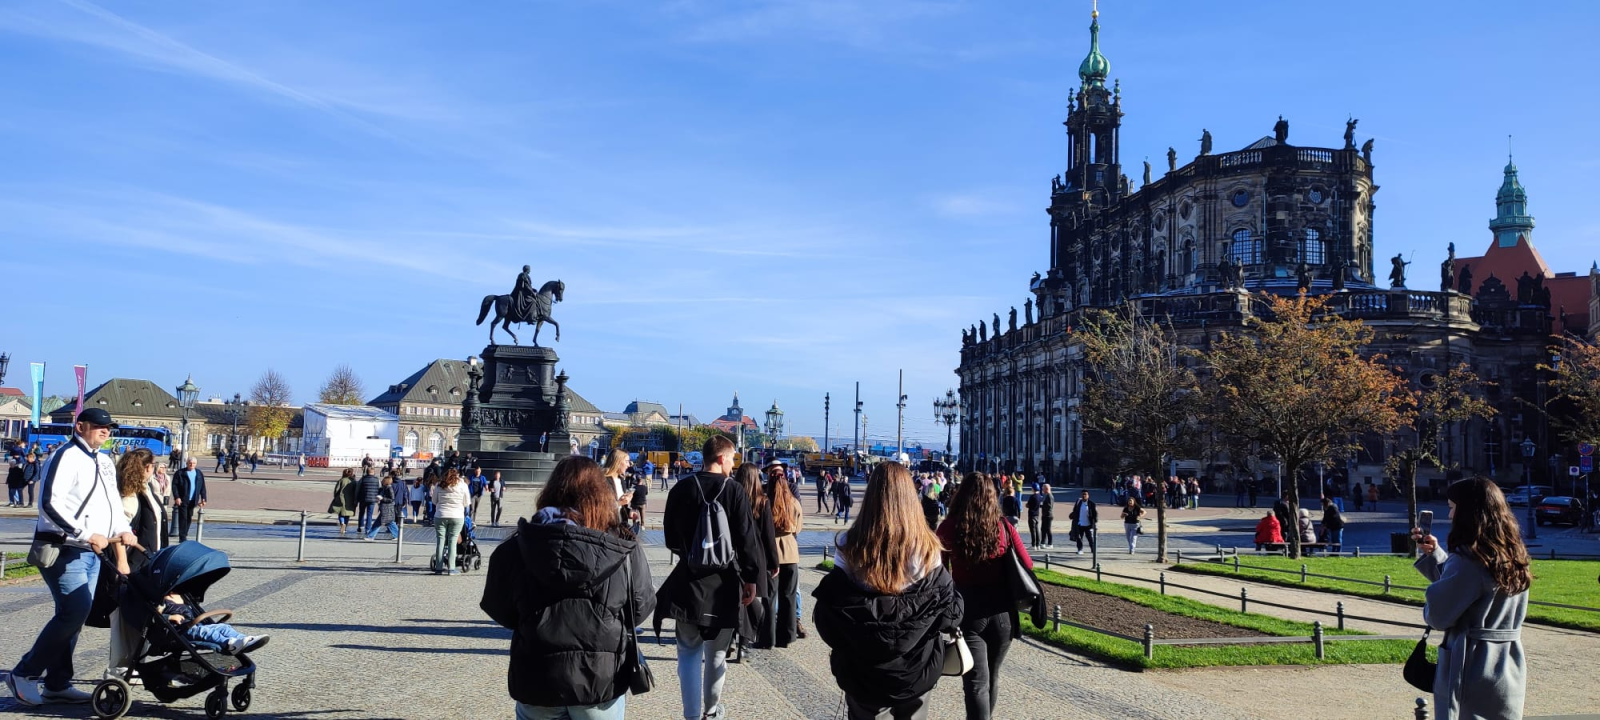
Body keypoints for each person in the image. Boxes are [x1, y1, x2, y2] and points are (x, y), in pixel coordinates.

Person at [481, 456, 655, 720]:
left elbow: (498, 607)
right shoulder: (623, 546)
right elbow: (640, 608)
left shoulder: (518, 546)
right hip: (599, 680)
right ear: (601, 494)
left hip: (536, 675)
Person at [8, 408, 138, 707]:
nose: (106, 432)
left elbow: (113, 505)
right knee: (74, 611)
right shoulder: (65, 456)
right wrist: (83, 532)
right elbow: (49, 503)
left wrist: (123, 529)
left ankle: (57, 683)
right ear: (80, 427)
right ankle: (24, 673)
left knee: (74, 616)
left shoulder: (105, 461)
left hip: (94, 552)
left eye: (109, 428)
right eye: (99, 427)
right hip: (64, 547)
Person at [815, 461, 962, 720]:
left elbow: (830, 608)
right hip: (917, 665)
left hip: (862, 665)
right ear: (910, 497)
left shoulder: (849, 544)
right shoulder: (928, 548)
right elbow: (951, 609)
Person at [655, 435, 761, 720]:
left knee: (687, 651)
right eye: (732, 458)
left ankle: (690, 715)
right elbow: (747, 538)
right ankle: (711, 711)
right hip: (724, 584)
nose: (733, 464)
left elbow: (669, 537)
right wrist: (751, 579)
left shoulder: (682, 488)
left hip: (688, 581)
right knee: (716, 655)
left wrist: (689, 553)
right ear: (721, 458)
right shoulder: (734, 490)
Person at [1411, 478, 1530, 720]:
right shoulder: (1511, 553)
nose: (1450, 515)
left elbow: (1439, 614)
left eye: (1453, 507)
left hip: (1471, 664)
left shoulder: (1469, 558)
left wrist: (1432, 598)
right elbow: (1472, 590)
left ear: (1467, 512)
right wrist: (1436, 555)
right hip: (1508, 662)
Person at [936, 472, 1032, 720]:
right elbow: (1027, 565)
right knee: (993, 675)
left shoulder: (949, 526)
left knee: (976, 682)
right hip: (1002, 612)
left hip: (967, 610)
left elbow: (937, 571)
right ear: (992, 497)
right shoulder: (1003, 527)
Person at [101, 447, 169, 679]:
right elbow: (117, 531)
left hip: (149, 562)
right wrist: (122, 562)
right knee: (123, 617)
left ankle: (135, 663)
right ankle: (119, 668)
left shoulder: (146, 488)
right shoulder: (129, 495)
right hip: (132, 565)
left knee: (143, 616)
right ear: (148, 467)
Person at [735, 463, 780, 652]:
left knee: (738, 596)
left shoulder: (733, 498)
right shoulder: (762, 501)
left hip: (735, 553)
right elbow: (769, 536)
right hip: (757, 555)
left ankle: (732, 638)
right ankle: (745, 642)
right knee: (753, 597)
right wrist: (774, 562)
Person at [766, 463, 804, 647]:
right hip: (790, 550)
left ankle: (768, 637)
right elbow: (798, 527)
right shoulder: (794, 502)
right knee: (788, 596)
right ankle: (787, 636)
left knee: (770, 596)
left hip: (770, 551)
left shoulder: (765, 501)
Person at [160, 592, 269, 655]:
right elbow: (154, 616)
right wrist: (170, 616)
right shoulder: (162, 601)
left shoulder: (182, 595)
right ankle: (229, 644)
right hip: (180, 631)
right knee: (206, 631)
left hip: (194, 625)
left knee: (223, 627)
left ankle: (244, 640)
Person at [431, 469, 471, 575]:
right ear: (457, 475)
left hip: (440, 515)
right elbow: (467, 502)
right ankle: (451, 568)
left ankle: (439, 568)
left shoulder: (439, 485)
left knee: (440, 541)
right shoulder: (462, 485)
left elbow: (434, 501)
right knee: (452, 541)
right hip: (457, 516)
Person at [171, 457, 208, 543]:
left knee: (189, 517)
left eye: (194, 463)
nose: (192, 465)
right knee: (183, 517)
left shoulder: (199, 473)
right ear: (187, 463)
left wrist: (204, 498)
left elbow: (202, 487)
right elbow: (174, 486)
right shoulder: (180, 473)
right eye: (190, 463)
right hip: (183, 499)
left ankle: (185, 533)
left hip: (193, 499)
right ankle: (182, 536)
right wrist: (177, 497)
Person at [364, 474, 400, 541]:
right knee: (390, 523)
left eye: (383, 480)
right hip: (385, 509)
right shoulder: (385, 488)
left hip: (387, 509)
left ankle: (370, 536)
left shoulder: (389, 488)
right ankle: (398, 535)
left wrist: (382, 499)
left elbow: (391, 499)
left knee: (380, 523)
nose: (382, 481)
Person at [328, 468, 358, 537]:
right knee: (347, 513)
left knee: (341, 513)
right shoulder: (353, 481)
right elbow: (356, 490)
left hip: (341, 498)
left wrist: (335, 496)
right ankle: (345, 525)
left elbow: (336, 490)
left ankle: (342, 523)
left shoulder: (341, 480)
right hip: (350, 499)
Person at [1069, 489, 1097, 556]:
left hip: (1088, 525)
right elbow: (1075, 511)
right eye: (1083, 494)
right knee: (1079, 538)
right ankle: (1080, 549)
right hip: (1080, 524)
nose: (1084, 495)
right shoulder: (1078, 502)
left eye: (1085, 494)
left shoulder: (1092, 504)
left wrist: (1094, 524)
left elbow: (1094, 515)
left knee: (1090, 538)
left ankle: (1093, 550)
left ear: (1088, 495)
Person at [356, 469, 382, 535]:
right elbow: (380, 489)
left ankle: (361, 526)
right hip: (372, 499)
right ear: (373, 472)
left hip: (363, 499)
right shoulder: (377, 480)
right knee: (369, 514)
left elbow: (357, 489)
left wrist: (356, 498)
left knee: (361, 512)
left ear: (366, 473)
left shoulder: (362, 479)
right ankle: (368, 529)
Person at [1037, 484, 1055, 548]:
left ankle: (1050, 544)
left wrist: (1041, 506)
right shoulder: (1046, 495)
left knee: (1048, 529)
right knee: (1043, 529)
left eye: (1043, 489)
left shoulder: (1050, 496)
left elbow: (1049, 506)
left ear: (1046, 489)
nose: (1042, 490)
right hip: (1044, 515)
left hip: (1048, 515)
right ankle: (1042, 543)